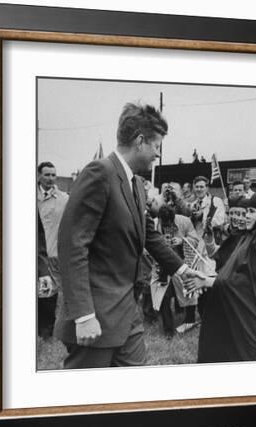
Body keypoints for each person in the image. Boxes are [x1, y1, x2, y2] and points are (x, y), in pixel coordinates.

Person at [54, 102, 204, 369]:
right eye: (157, 146)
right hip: (96, 316)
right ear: (140, 141)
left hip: (127, 313)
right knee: (87, 402)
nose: (158, 154)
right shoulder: (99, 173)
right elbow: (72, 245)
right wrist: (83, 315)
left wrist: (181, 269)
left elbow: (147, 233)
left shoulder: (135, 183)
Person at [185, 193, 256, 363]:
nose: (246, 216)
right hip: (244, 309)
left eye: (252, 211)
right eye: (247, 211)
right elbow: (230, 270)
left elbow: (246, 283)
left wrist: (207, 281)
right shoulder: (249, 237)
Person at [151, 204, 204, 338]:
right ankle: (168, 330)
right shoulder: (154, 224)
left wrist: (182, 241)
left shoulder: (184, 221)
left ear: (174, 218)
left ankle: (189, 321)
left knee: (189, 292)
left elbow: (195, 240)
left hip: (183, 262)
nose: (167, 226)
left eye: (170, 223)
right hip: (162, 266)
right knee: (164, 296)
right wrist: (160, 244)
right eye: (165, 224)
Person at [37, 161, 68, 338]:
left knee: (48, 294)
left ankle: (46, 332)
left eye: (53, 175)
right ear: (39, 175)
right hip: (33, 253)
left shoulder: (64, 199)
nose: (50, 179)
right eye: (47, 175)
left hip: (52, 255)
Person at [190, 175, 226, 243]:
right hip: (197, 241)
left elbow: (220, 221)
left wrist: (202, 217)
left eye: (201, 187)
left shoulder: (216, 201)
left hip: (212, 239)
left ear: (207, 188)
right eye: (197, 187)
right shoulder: (193, 204)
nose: (199, 189)